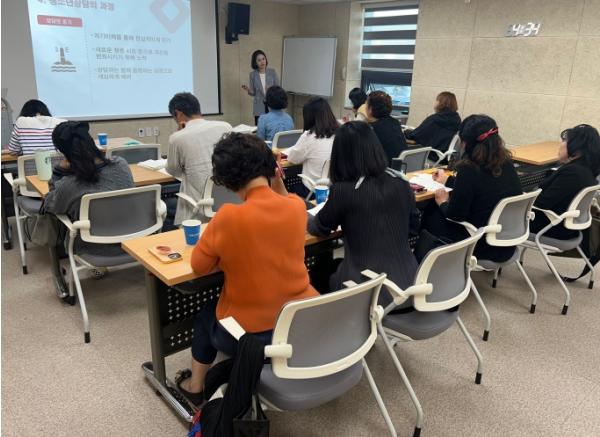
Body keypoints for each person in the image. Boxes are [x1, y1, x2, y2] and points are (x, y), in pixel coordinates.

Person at [176, 132, 319, 405]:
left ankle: (195, 387)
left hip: (252, 337)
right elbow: (285, 201)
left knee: (206, 314)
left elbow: (199, 266)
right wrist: (276, 180)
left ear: (226, 179)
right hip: (300, 323)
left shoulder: (228, 217)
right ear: (271, 168)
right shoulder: (296, 207)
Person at [308, 121, 419, 306]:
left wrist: (302, 213)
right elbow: (413, 227)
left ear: (340, 155)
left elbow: (319, 228)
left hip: (371, 294)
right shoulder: (401, 183)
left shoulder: (343, 190)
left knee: (317, 274)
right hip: (411, 287)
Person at [420, 114, 522, 263]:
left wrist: (442, 202)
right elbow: (482, 186)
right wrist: (448, 180)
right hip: (506, 243)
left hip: (479, 244)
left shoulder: (469, 169)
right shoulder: (506, 163)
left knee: (430, 212)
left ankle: (425, 264)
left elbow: (455, 215)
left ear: (465, 143)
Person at [42, 121, 134, 258]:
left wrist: (58, 171)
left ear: (63, 152)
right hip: (133, 240)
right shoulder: (121, 164)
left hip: (93, 248)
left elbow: (50, 205)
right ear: (91, 142)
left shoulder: (68, 185)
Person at [166, 92, 232, 225]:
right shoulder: (225, 127)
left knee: (167, 207)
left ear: (178, 114)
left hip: (198, 209)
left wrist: (179, 132)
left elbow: (174, 171)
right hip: (229, 201)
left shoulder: (177, 138)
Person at [530, 124, 600, 240]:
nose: (561, 145)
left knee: (500, 213)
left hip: (550, 227)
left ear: (576, 147)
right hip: (565, 227)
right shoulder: (588, 169)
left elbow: (541, 203)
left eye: (565, 141)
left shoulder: (573, 172)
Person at [285, 97, 338, 198]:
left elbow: (292, 159)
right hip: (333, 190)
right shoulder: (340, 133)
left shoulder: (309, 136)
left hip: (312, 190)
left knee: (288, 185)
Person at [367, 91, 407, 165]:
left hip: (384, 168)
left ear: (370, 109)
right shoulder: (395, 123)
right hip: (400, 166)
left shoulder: (371, 128)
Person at [241, 50, 279, 125]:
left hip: (272, 104)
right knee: (259, 127)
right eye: (259, 60)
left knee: (272, 127)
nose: (262, 62)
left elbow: (278, 89)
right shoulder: (252, 74)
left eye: (263, 59)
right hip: (259, 106)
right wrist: (248, 90)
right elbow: (253, 93)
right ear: (255, 63)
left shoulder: (272, 72)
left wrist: (271, 89)